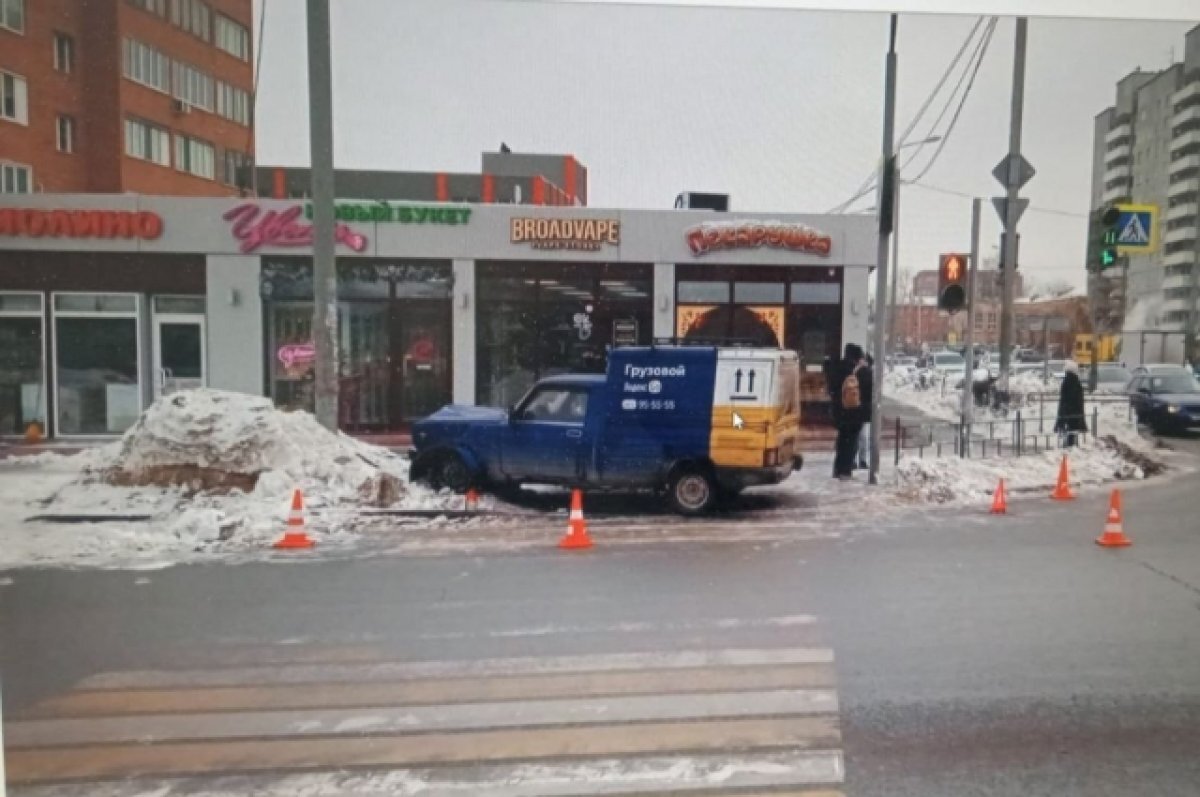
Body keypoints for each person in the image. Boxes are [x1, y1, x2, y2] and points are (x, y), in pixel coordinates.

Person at [833, 343, 867, 479]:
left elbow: (834, 389)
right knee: (851, 442)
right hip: (852, 412)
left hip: (839, 411)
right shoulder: (856, 371)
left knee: (842, 441)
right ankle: (845, 471)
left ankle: (838, 469)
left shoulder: (838, 368)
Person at [1055, 359, 1087, 447]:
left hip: (1067, 413)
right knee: (1072, 435)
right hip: (1075, 414)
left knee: (1069, 435)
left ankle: (1068, 448)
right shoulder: (1076, 382)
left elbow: (1064, 399)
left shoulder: (1067, 382)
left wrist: (1062, 415)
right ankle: (1070, 448)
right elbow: (1078, 400)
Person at [856, 353, 874, 469]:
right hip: (863, 409)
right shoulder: (869, 374)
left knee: (858, 437)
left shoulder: (856, 372)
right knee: (863, 437)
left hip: (856, 408)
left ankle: (857, 460)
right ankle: (862, 460)